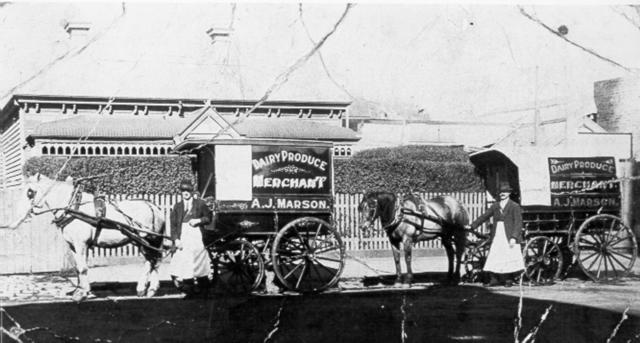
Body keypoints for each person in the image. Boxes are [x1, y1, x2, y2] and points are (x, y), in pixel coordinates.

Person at [467, 183, 525, 287]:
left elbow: (518, 223)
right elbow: (484, 216)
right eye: (501, 192)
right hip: (497, 234)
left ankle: (508, 279)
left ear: (509, 193)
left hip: (509, 234)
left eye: (505, 192)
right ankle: (494, 279)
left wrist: (514, 237)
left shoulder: (514, 206)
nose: (503, 194)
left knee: (509, 255)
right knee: (495, 255)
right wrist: (472, 226)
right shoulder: (495, 206)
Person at [169, 179, 213, 297]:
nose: (185, 193)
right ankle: (189, 290)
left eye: (187, 190)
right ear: (181, 192)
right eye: (183, 191)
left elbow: (208, 217)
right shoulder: (177, 207)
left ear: (191, 191)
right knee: (184, 262)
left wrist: (198, 220)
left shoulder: (200, 203)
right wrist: (176, 239)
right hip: (183, 236)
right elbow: (173, 225)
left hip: (197, 235)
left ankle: (204, 289)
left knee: (199, 260)